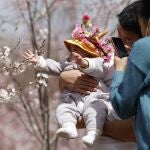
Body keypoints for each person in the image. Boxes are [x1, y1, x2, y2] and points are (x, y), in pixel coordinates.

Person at [59, 1, 143, 150]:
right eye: (119, 36)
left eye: (128, 39)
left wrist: (96, 119)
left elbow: (136, 132)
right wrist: (65, 80)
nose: (119, 44)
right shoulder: (110, 58)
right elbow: (78, 118)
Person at [23, 16, 116, 147]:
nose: (73, 52)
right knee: (63, 108)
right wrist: (40, 61)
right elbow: (53, 66)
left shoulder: (94, 63)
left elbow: (100, 67)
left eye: (78, 49)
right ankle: (68, 126)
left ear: (88, 53)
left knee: (95, 110)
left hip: (93, 96)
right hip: (72, 99)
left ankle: (93, 132)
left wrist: (84, 63)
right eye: (72, 49)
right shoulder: (66, 64)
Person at [110, 0, 150, 149]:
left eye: (129, 40)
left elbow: (122, 107)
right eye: (120, 39)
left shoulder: (144, 48)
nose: (123, 45)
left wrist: (119, 71)